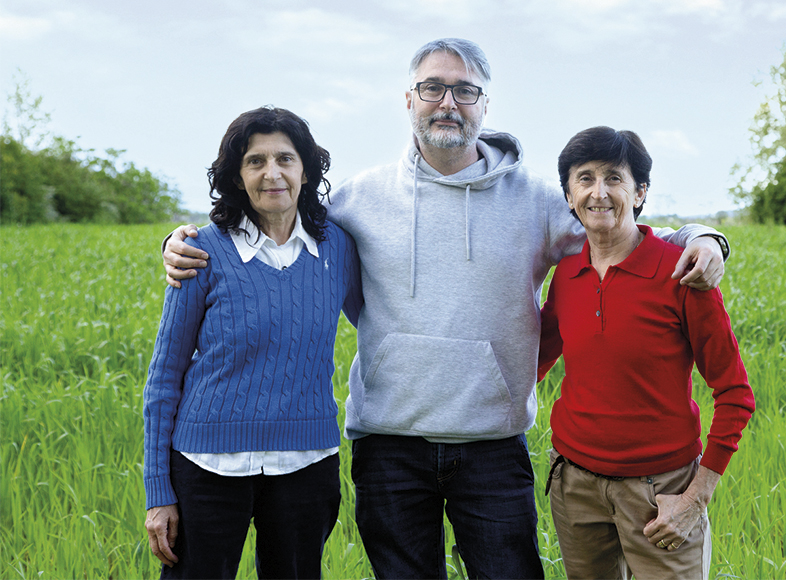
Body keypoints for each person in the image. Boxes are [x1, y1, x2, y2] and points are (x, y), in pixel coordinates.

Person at [161, 39, 730, 579]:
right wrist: (182, 242)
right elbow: (275, 220)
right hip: (388, 444)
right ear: (409, 100)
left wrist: (704, 237)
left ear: (485, 104)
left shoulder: (536, 200)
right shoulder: (358, 200)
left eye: (465, 91)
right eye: (432, 88)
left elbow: (618, 224)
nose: (448, 103)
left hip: (491, 444)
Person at [143, 106, 361, 579]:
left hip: (307, 462)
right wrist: (158, 491)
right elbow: (164, 376)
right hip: (206, 465)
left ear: (306, 170)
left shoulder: (339, 247)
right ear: (237, 178)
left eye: (285, 158)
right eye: (255, 161)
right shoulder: (200, 250)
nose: (272, 173)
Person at [538, 126, 755, 579]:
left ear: (639, 192)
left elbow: (735, 393)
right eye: (585, 178)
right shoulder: (567, 273)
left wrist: (695, 498)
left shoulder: (682, 276)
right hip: (574, 485)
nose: (599, 193)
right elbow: (535, 360)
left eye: (614, 178)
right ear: (569, 193)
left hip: (662, 493)